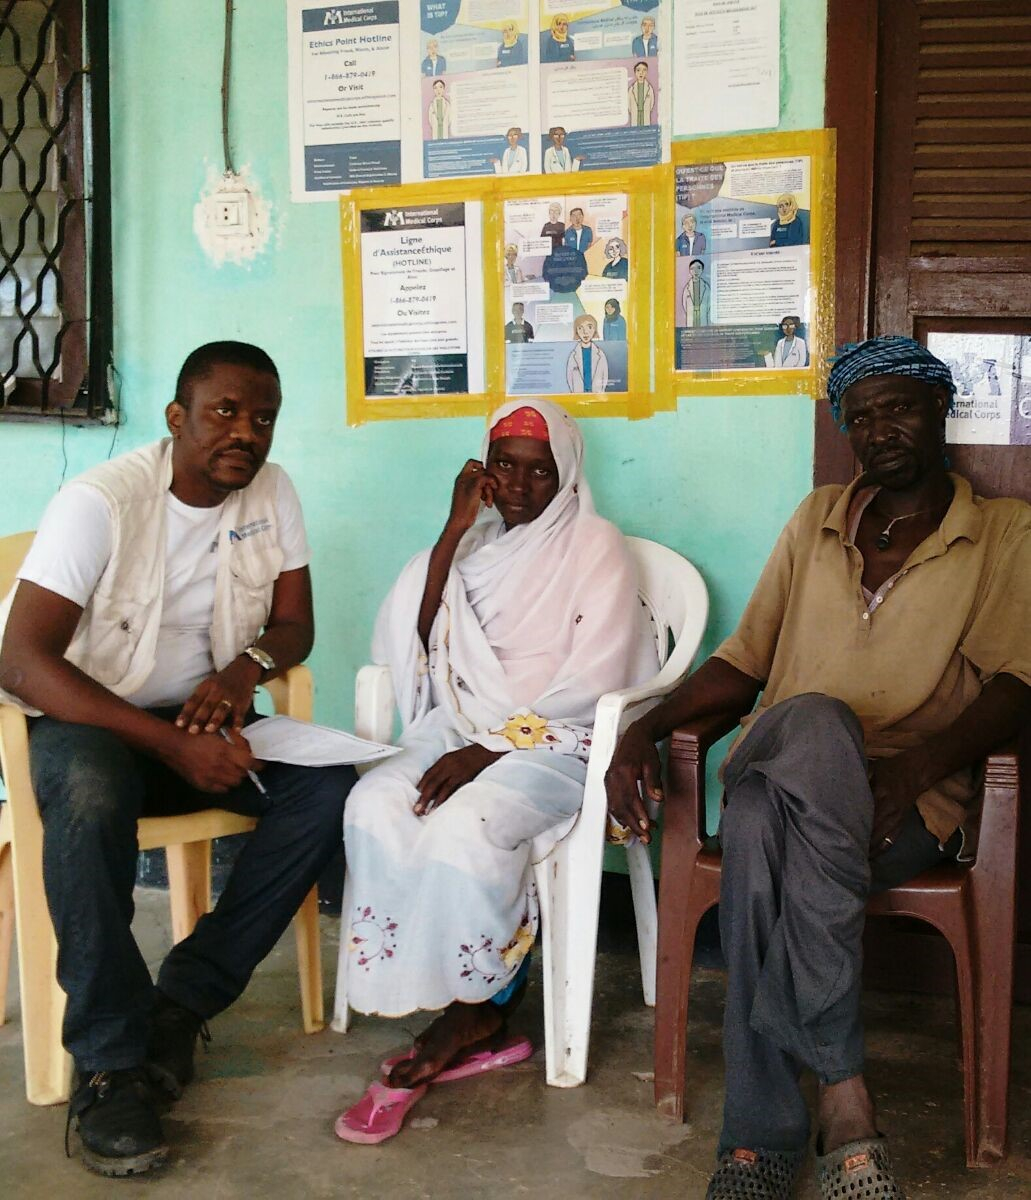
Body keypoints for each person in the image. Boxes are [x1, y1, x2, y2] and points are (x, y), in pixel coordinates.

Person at [605, 336, 1031, 1200]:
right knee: (817, 719)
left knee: (763, 831)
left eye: (898, 405)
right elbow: (744, 662)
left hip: (902, 800)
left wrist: (910, 773)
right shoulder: (816, 518)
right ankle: (844, 1094)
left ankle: (758, 1136)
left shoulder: (1000, 532)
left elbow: (1015, 684)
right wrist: (641, 728)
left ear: (938, 409)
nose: (879, 428)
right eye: (859, 414)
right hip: (789, 748)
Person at [0, 342, 356, 1176]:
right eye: (224, 412)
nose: (245, 433)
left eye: (262, 417)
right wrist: (166, 744)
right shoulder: (102, 503)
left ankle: (179, 1004)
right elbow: (20, 660)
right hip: (91, 724)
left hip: (199, 721)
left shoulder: (273, 492)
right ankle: (110, 1062)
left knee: (328, 786)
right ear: (176, 418)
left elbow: (295, 626)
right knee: (87, 792)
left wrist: (245, 671)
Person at [333, 400, 654, 1142]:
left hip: (557, 742)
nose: (518, 484)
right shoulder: (469, 547)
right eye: (502, 465)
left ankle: (479, 1005)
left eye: (539, 470)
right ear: (480, 471)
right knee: (376, 800)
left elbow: (597, 679)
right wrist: (450, 530)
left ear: (566, 474)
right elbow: (412, 643)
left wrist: (493, 748)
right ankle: (420, 982)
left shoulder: (594, 545)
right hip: (458, 729)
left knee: (471, 824)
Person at [566, 314, 609, 393]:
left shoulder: (600, 354)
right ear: (576, 331)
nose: (585, 332)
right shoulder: (573, 356)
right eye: (580, 328)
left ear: (595, 329)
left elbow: (605, 376)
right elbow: (570, 378)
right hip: (578, 396)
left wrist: (601, 391)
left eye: (589, 327)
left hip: (597, 396)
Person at [682, 258, 711, 326]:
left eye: (698, 268)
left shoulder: (706, 287)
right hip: (691, 315)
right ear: (689, 271)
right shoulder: (687, 288)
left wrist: (702, 311)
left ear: (702, 270)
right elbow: (684, 304)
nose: (696, 271)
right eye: (692, 268)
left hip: (702, 315)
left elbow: (709, 303)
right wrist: (691, 311)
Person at [627, 61, 655, 126]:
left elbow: (652, 103)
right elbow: (629, 105)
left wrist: (646, 109)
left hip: (645, 113)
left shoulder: (649, 88)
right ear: (635, 72)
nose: (641, 73)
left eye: (644, 70)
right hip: (635, 113)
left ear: (647, 72)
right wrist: (634, 110)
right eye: (638, 70)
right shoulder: (631, 89)